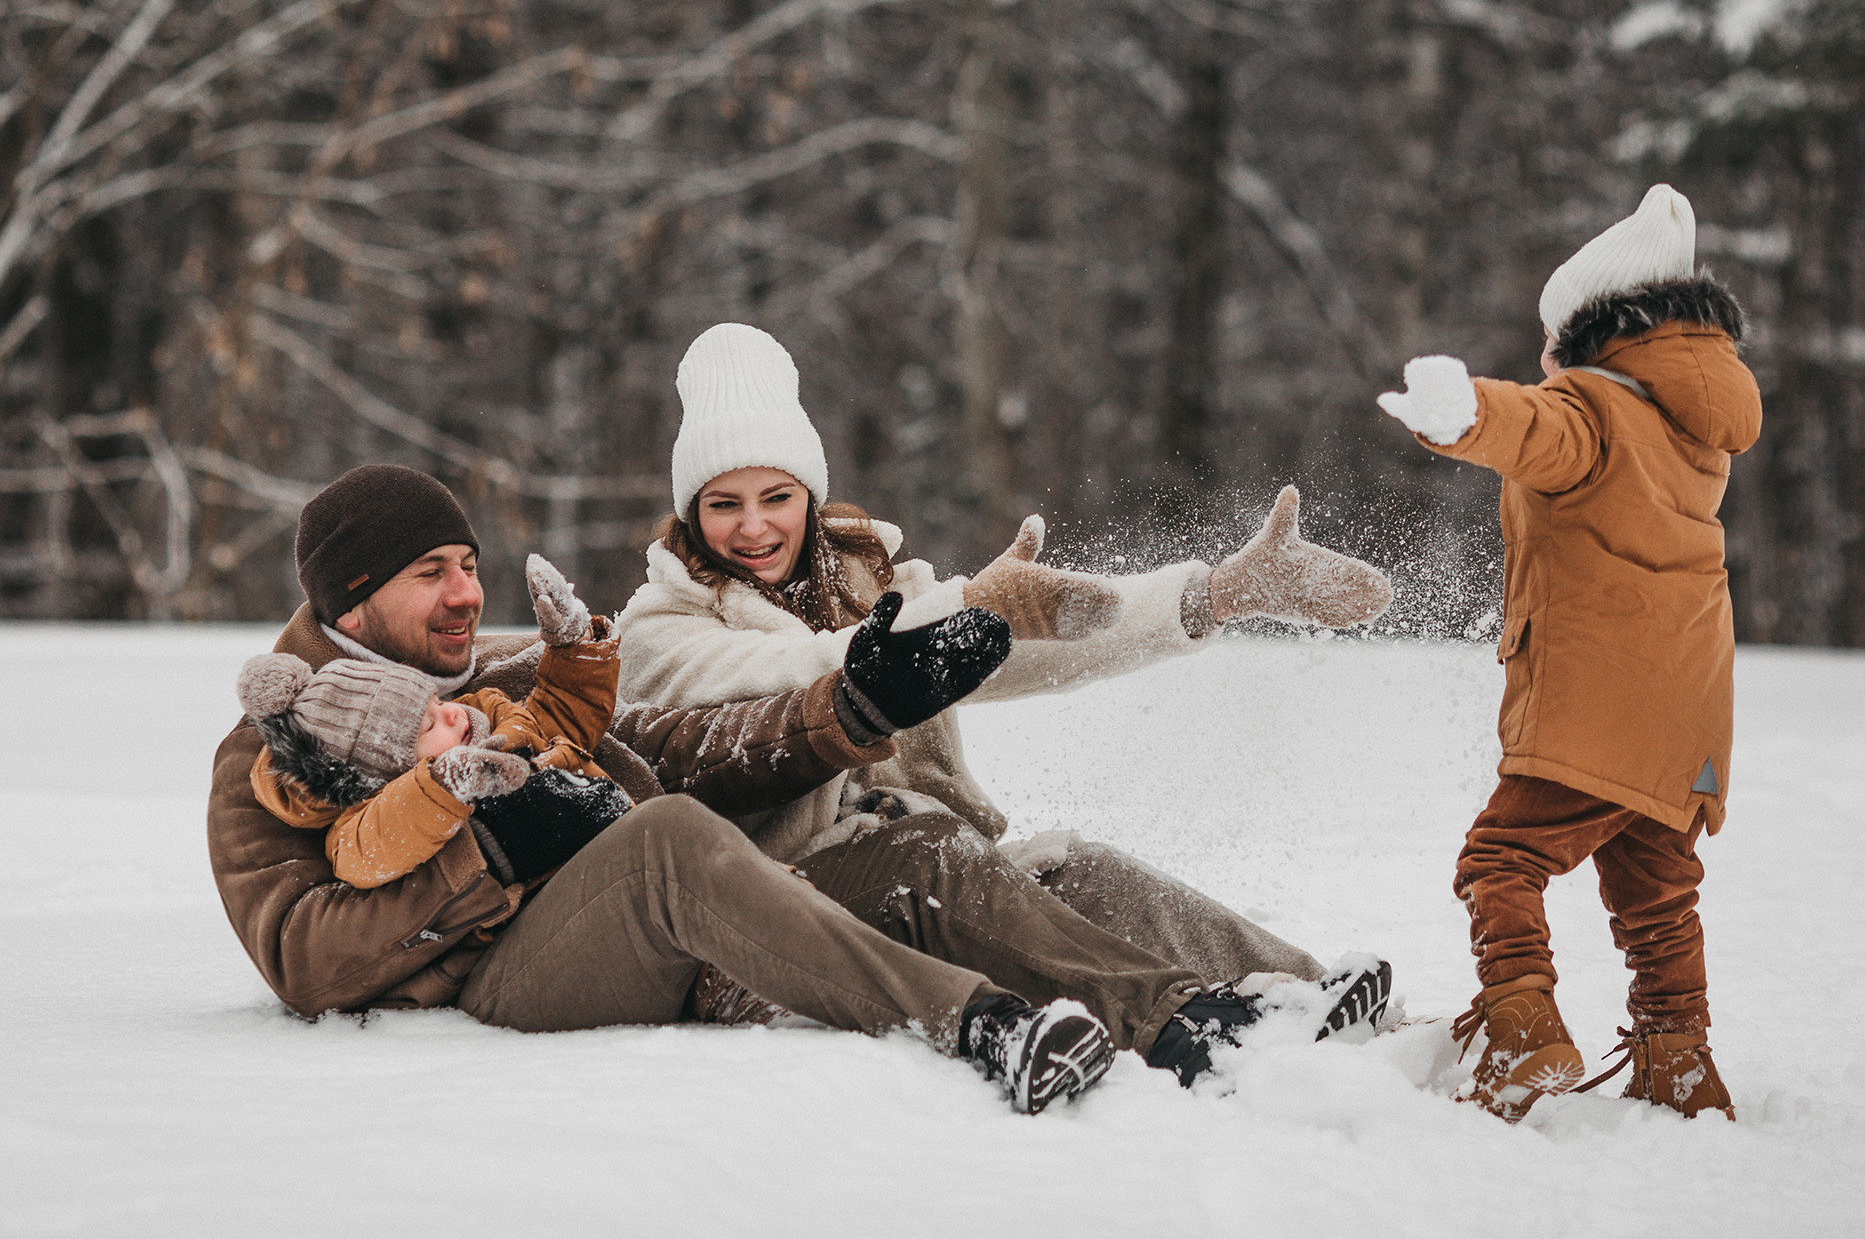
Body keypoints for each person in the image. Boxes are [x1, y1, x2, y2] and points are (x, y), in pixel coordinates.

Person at [203, 465, 1374, 1113]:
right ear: (351, 600)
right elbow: (303, 957)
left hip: (699, 896)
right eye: (429, 575)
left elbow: (682, 746)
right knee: (668, 839)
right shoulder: (270, 746)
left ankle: (1264, 1008)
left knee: (941, 853)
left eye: (467, 564)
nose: (464, 594)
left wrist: (858, 706)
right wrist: (492, 855)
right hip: (499, 976)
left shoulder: (517, 671)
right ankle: (980, 1023)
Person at [613, 321, 1398, 999]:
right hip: (796, 915)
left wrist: (1214, 594)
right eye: (724, 504)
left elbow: (1020, 651)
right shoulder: (664, 626)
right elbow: (800, 671)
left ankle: (1314, 1000)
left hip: (937, 864)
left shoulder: (870, 582)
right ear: (691, 510)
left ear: (809, 497)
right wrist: (965, 606)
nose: (753, 527)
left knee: (1085, 873)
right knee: (947, 860)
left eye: (775, 496)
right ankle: (1196, 1017)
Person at [1375, 184, 1761, 1122]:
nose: (1544, 360)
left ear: (1593, 336)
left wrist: (1463, 413)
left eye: (1553, 341)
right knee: (1658, 889)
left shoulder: (1592, 408)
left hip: (1596, 703)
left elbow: (1535, 429)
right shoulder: (1690, 424)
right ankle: (1680, 1061)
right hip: (1689, 712)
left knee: (1501, 857)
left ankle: (1521, 1030)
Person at [232, 554, 631, 892]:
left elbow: (558, 720)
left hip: (622, 841)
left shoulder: (486, 716)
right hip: (578, 894)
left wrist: (574, 644)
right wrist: (442, 786)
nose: (452, 712)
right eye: (427, 727)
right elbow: (369, 847)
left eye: (437, 702)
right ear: (393, 769)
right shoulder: (387, 810)